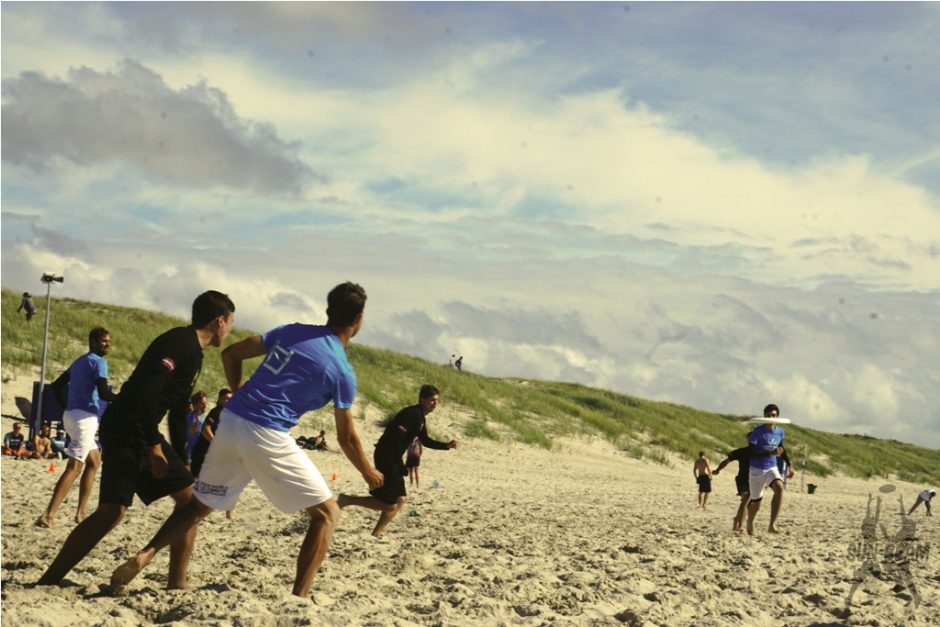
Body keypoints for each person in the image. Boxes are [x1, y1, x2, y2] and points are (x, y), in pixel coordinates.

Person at [108, 282, 383, 598]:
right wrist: (368, 472)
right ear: (358, 320)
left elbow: (232, 353)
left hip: (232, 420)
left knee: (199, 505)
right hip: (267, 432)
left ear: (327, 310)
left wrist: (238, 390)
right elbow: (346, 437)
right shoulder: (342, 370)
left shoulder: (292, 331)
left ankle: (147, 553)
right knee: (327, 514)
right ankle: (300, 599)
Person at [36, 291, 235, 589]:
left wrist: (184, 457)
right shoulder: (179, 341)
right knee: (191, 504)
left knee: (117, 511)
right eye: (231, 322)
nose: (230, 329)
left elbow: (178, 412)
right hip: (132, 427)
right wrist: (154, 445)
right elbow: (147, 391)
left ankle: (49, 580)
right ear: (220, 320)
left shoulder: (195, 353)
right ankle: (157, 568)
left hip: (130, 426)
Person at [338, 384, 457, 537]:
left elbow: (425, 440)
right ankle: (347, 500)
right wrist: (399, 465)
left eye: (437, 401)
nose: (435, 404)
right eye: (432, 400)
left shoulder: (420, 417)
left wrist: (446, 445)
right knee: (389, 504)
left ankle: (376, 533)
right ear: (422, 400)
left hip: (391, 458)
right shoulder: (412, 414)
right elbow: (394, 439)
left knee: (400, 500)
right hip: (387, 457)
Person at [36, 327, 118, 528]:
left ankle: (81, 514)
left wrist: (67, 406)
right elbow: (103, 392)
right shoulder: (99, 363)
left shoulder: (80, 361)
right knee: (75, 467)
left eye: (109, 341)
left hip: (70, 416)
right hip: (85, 419)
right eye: (104, 341)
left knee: (94, 461)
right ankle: (48, 514)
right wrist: (124, 398)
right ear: (93, 342)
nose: (108, 344)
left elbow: (56, 385)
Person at [745, 404, 786, 535]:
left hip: (771, 467)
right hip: (756, 469)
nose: (770, 418)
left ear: (777, 417)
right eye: (768, 415)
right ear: (764, 416)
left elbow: (781, 449)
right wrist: (770, 453)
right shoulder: (757, 432)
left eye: (773, 415)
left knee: (779, 488)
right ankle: (750, 521)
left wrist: (790, 464)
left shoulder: (780, 432)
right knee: (756, 504)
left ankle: (772, 524)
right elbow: (751, 453)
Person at [189, 388, 232, 479]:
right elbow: (206, 428)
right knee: (195, 481)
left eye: (230, 399)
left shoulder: (225, 413)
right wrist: (216, 443)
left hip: (208, 454)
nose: (227, 401)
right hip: (201, 453)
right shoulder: (217, 411)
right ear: (219, 399)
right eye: (225, 398)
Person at [713, 443, 751, 532]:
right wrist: (718, 470)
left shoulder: (760, 451)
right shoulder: (742, 451)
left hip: (754, 480)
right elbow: (727, 461)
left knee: (746, 502)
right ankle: (740, 525)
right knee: (746, 499)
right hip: (742, 479)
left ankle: (736, 521)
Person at [183, 391, 208, 465]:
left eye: (205, 403)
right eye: (202, 403)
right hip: (190, 454)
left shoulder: (201, 417)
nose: (205, 405)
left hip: (198, 453)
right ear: (196, 404)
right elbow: (191, 432)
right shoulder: (191, 417)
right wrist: (196, 422)